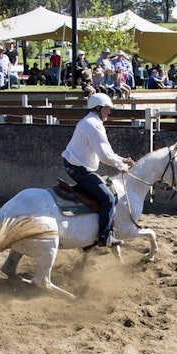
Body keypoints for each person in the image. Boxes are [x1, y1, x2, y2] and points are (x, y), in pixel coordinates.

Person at [60, 92, 135, 248]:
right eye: (107, 108)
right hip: (78, 169)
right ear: (98, 108)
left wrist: (121, 159)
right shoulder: (93, 125)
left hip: (76, 166)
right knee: (108, 198)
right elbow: (104, 156)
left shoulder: (90, 122)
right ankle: (104, 237)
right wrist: (121, 166)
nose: (109, 112)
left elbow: (106, 152)